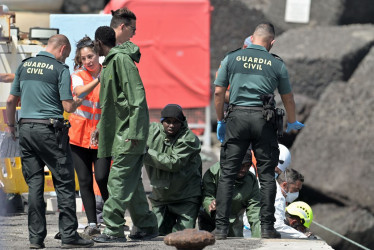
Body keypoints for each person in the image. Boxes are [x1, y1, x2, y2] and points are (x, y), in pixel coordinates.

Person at [213, 22, 304, 239]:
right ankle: (267, 228)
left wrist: (220, 120)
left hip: (236, 118)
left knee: (227, 174)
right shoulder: (276, 63)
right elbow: (288, 97)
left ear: (251, 38)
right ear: (271, 42)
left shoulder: (231, 58)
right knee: (266, 176)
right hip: (264, 120)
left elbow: (218, 93)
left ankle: (221, 229)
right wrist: (291, 121)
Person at [5, 34, 93, 249]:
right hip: (50, 131)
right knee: (64, 182)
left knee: (34, 184)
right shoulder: (59, 69)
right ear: (62, 49)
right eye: (67, 55)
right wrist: (77, 102)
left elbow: (10, 100)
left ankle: (36, 240)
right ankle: (69, 235)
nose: (66, 59)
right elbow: (67, 106)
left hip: (25, 129)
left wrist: (10, 127)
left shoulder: (25, 66)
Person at [92, 26, 158, 243]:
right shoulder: (112, 62)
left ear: (100, 42)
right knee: (132, 183)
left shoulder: (120, 61)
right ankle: (146, 226)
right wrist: (101, 127)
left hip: (128, 135)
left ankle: (113, 229)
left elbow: (137, 97)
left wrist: (135, 132)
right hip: (123, 132)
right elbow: (112, 103)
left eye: (94, 43)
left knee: (118, 180)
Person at [68, 36, 111, 238]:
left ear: (98, 56)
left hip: (102, 136)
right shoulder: (77, 75)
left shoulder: (108, 73)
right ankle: (92, 223)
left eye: (91, 56)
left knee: (103, 178)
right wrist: (97, 81)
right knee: (84, 181)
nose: (88, 61)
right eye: (84, 58)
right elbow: (78, 92)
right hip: (78, 136)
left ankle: (112, 219)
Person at [144, 104, 202, 236]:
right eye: (168, 122)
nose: (171, 125)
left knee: (184, 239)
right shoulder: (152, 131)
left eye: (176, 122)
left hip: (185, 198)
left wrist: (146, 153)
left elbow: (173, 163)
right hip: (160, 197)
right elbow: (129, 129)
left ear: (182, 123)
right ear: (161, 121)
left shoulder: (189, 139)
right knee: (155, 237)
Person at [198, 150, 261, 238]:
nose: (244, 169)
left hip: (234, 221)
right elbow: (207, 195)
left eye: (247, 166)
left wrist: (259, 240)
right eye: (241, 165)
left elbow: (255, 213)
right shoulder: (214, 173)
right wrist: (210, 204)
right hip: (210, 219)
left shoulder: (251, 180)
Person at [274, 168, 306, 238]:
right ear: (285, 185)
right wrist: (302, 236)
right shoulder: (278, 198)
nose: (297, 193)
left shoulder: (271, 188)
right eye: (295, 189)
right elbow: (277, 226)